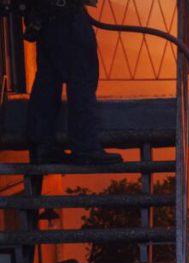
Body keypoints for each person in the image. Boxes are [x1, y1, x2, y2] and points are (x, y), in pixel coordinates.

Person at [25, 0, 123, 165]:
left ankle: (42, 148)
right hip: (65, 16)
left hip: (46, 17)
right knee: (81, 80)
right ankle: (86, 148)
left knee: (48, 82)